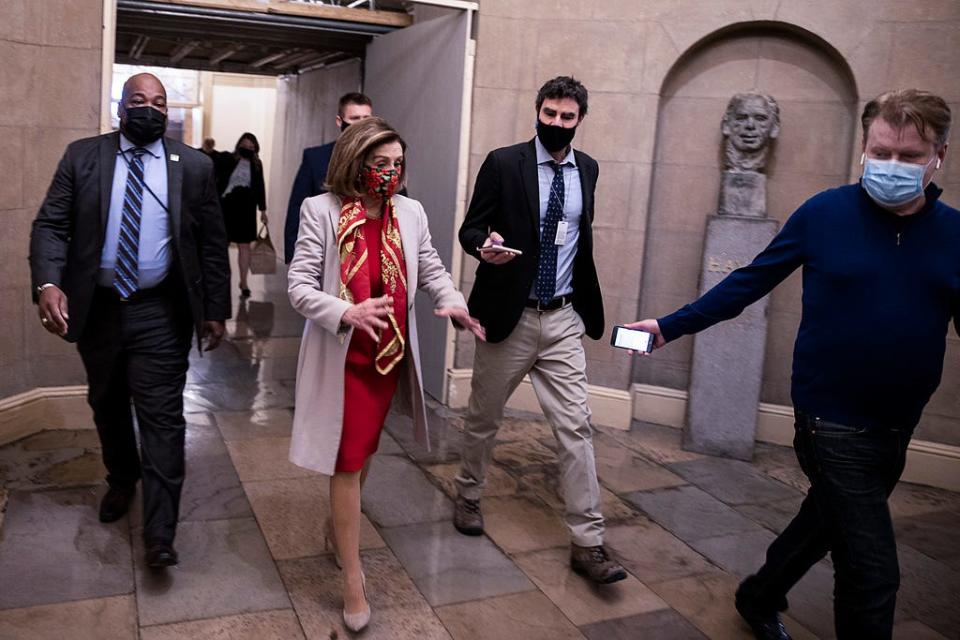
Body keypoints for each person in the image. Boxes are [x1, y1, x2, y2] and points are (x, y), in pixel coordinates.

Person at [627, 89, 956, 640]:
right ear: (863, 149)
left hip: (898, 420)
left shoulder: (955, 235)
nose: (891, 167)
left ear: (939, 156)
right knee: (871, 569)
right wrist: (671, 325)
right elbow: (748, 281)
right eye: (881, 153)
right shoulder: (825, 214)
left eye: (908, 157)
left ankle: (759, 595)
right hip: (829, 417)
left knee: (827, 520)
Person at [287, 117, 484, 632]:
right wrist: (345, 312)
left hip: (387, 359)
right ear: (356, 162)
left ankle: (337, 531)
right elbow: (299, 286)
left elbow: (432, 268)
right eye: (380, 165)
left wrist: (453, 302)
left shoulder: (410, 212)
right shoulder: (322, 211)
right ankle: (353, 578)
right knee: (347, 461)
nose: (390, 174)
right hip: (343, 359)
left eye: (397, 164)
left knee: (364, 452)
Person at [29, 72, 230, 569]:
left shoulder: (196, 167)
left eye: (159, 102)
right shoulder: (83, 157)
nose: (150, 108)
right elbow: (51, 223)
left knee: (163, 418)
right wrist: (47, 282)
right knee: (108, 403)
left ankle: (160, 533)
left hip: (160, 310)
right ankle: (122, 478)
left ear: (168, 112)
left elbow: (209, 243)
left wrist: (216, 311)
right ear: (120, 109)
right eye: (138, 100)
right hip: (97, 309)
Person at [454, 76, 626, 584]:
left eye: (566, 117)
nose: (555, 123)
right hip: (510, 314)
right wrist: (484, 245)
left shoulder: (588, 170)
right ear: (537, 110)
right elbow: (470, 229)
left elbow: (580, 237)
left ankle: (588, 542)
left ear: (579, 120)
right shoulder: (504, 162)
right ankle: (467, 494)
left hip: (564, 318)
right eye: (548, 114)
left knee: (576, 428)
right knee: (484, 416)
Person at [284, 92, 373, 263]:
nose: (361, 125)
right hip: (326, 253)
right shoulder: (317, 158)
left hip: (369, 253)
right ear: (340, 121)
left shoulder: (383, 158)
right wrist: (293, 256)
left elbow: (397, 203)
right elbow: (297, 207)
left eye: (366, 118)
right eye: (355, 118)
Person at [216, 132, 267, 298]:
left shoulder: (257, 164)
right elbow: (213, 162)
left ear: (255, 149)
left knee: (244, 246)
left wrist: (263, 210)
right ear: (239, 146)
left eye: (251, 147)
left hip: (246, 208)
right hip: (227, 206)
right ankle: (221, 280)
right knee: (222, 244)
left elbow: (260, 187)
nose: (247, 149)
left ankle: (244, 282)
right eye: (244, 146)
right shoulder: (228, 159)